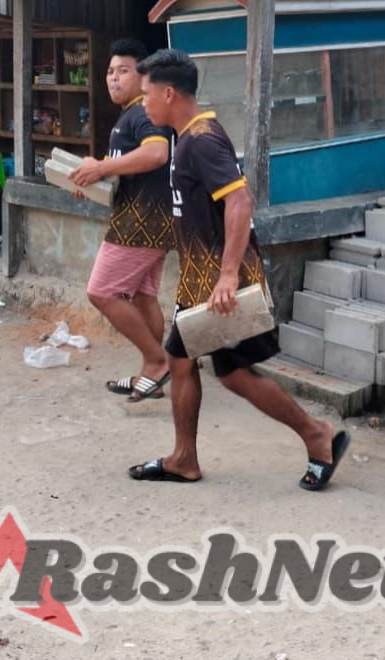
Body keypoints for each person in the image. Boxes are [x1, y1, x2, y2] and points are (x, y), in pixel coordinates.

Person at [126, 48, 349, 490]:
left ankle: (317, 434)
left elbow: (240, 200)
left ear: (169, 93)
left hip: (221, 285)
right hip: (200, 282)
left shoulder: (201, 139)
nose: (143, 103)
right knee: (182, 358)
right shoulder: (186, 137)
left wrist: (228, 275)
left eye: (146, 94)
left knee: (233, 373)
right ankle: (184, 458)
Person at [67, 39, 176, 402]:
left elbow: (157, 153)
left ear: (143, 76)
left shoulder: (143, 112)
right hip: (152, 215)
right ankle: (152, 373)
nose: (113, 78)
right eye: (110, 72)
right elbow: (131, 167)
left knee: (102, 291)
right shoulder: (129, 116)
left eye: (123, 71)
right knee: (144, 296)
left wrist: (101, 166)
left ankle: (157, 362)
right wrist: (95, 178)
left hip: (142, 218)